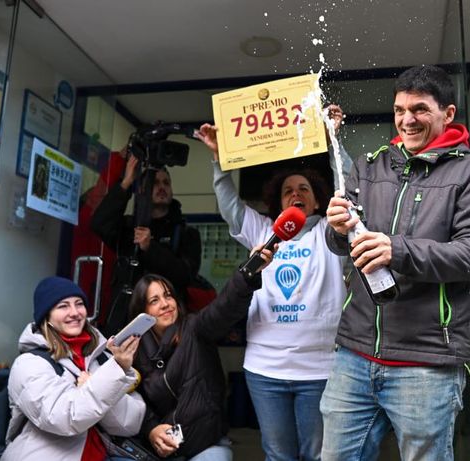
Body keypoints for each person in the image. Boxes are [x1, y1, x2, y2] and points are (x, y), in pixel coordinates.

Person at [321, 65, 470, 460]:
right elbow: (338, 244)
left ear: (448, 114)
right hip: (355, 353)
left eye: (419, 109)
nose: (407, 119)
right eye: (400, 109)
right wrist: (336, 228)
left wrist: (398, 250)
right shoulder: (369, 165)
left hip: (427, 361)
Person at [194, 104, 351, 461]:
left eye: (304, 189)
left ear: (316, 199)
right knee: (277, 454)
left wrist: (333, 141)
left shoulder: (331, 230)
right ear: (278, 201)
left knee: (319, 455)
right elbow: (229, 206)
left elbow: (349, 189)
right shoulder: (264, 232)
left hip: (320, 369)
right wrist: (219, 160)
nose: (296, 194)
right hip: (264, 369)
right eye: (288, 191)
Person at [131, 244, 275, 460]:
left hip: (206, 445)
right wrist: (151, 429)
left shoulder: (194, 328)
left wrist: (248, 272)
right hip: (162, 450)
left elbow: (224, 308)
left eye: (168, 296)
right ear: (142, 312)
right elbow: (132, 404)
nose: (165, 304)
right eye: (154, 300)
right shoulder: (136, 351)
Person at [2, 276, 146, 460]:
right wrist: (107, 381)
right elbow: (65, 418)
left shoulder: (102, 356)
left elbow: (131, 423)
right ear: (46, 316)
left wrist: (101, 383)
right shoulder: (29, 363)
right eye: (63, 306)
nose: (75, 312)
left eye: (79, 304)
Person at [91, 152, 202, 337]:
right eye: (155, 183)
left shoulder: (186, 233)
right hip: (125, 321)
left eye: (166, 183)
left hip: (166, 326)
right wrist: (126, 183)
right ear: (142, 189)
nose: (162, 187)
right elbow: (99, 224)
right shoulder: (128, 227)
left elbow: (185, 275)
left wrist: (151, 248)